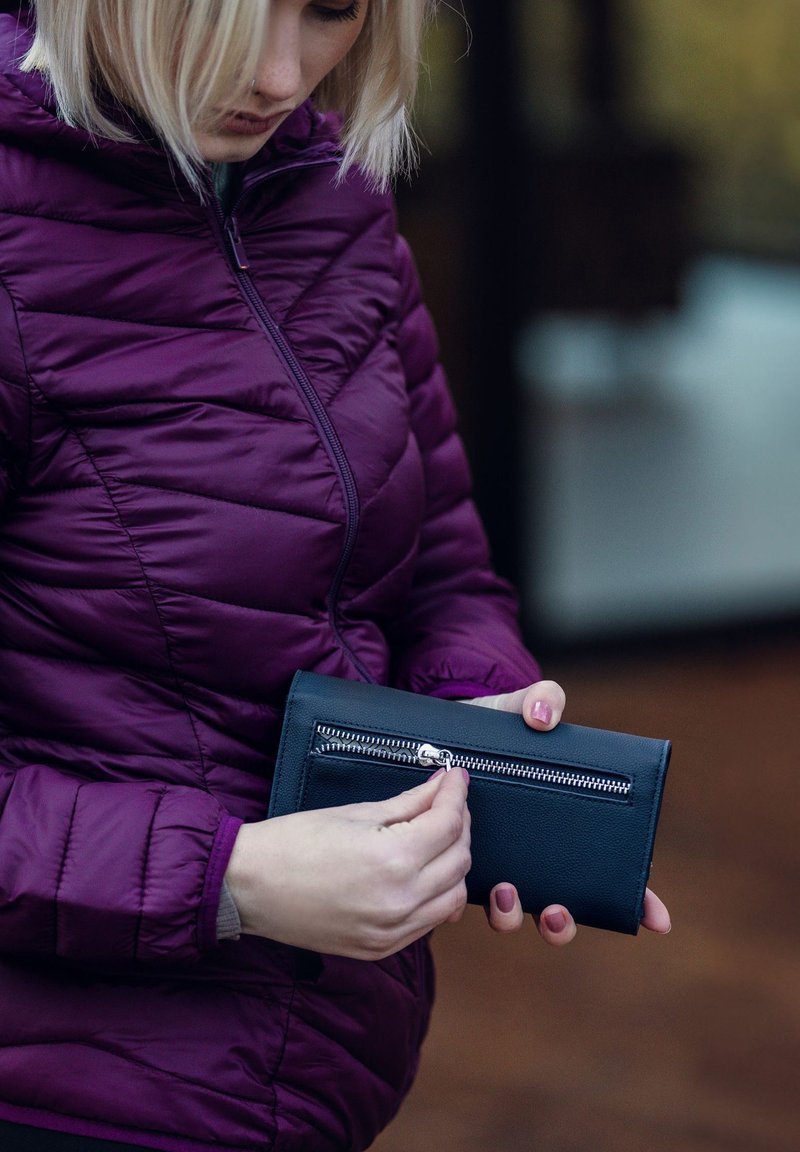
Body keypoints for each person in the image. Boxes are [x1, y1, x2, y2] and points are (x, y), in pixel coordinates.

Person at [0, 1, 671, 1150]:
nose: (276, 72)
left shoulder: (332, 195)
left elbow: (442, 565)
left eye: (326, 11)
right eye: (226, 12)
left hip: (312, 1065)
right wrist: (230, 879)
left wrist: (479, 720)